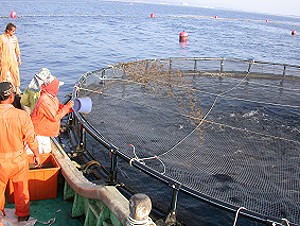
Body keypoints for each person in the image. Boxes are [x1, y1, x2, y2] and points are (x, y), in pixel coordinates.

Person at [0, 81, 40, 222]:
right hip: (18, 159)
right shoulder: (22, 115)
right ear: (11, 97)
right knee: (22, 189)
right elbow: (31, 139)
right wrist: (36, 155)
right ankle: (23, 217)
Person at [31, 76, 73, 153]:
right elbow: (55, 117)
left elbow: (57, 107)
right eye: (57, 87)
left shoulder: (51, 97)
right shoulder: (45, 100)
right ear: (52, 87)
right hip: (39, 134)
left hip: (45, 132)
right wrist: (66, 108)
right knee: (42, 153)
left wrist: (69, 109)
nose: (58, 88)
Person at [0, 23, 22, 94]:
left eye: (14, 31)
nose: (13, 32)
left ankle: (17, 88)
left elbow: (17, 49)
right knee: (3, 74)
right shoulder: (2, 38)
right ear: (7, 30)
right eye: (12, 31)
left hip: (13, 59)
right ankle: (2, 89)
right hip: (4, 59)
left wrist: (19, 58)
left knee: (15, 73)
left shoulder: (14, 38)